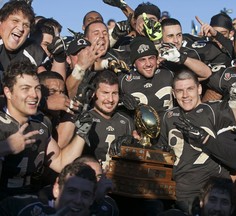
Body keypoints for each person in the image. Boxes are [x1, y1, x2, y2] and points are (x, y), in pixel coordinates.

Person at [0, 60, 94, 199]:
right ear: (8, 92)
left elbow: (61, 162)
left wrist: (82, 133)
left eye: (37, 88)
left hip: (29, 199)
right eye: (25, 88)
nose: (34, 95)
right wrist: (5, 147)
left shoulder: (41, 122)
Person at [156, 69, 236, 214]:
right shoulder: (167, 117)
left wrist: (206, 139)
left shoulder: (215, 111)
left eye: (190, 89)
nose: (185, 95)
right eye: (179, 91)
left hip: (216, 191)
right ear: (173, 93)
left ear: (199, 88)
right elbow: (160, 156)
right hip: (184, 195)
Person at [83, 69, 136, 170]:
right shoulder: (85, 119)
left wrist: (134, 143)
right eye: (105, 93)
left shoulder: (127, 121)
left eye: (114, 93)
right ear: (93, 93)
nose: (111, 99)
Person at [0, 161, 97, 216]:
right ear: (56, 189)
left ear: (92, 199)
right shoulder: (21, 207)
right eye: (71, 191)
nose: (78, 200)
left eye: (86, 194)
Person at [119, 36, 174, 119]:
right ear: (134, 63)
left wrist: (181, 59)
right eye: (142, 60)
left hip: (168, 127)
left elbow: (200, 75)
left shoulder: (169, 73)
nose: (148, 64)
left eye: (151, 58)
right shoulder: (123, 80)